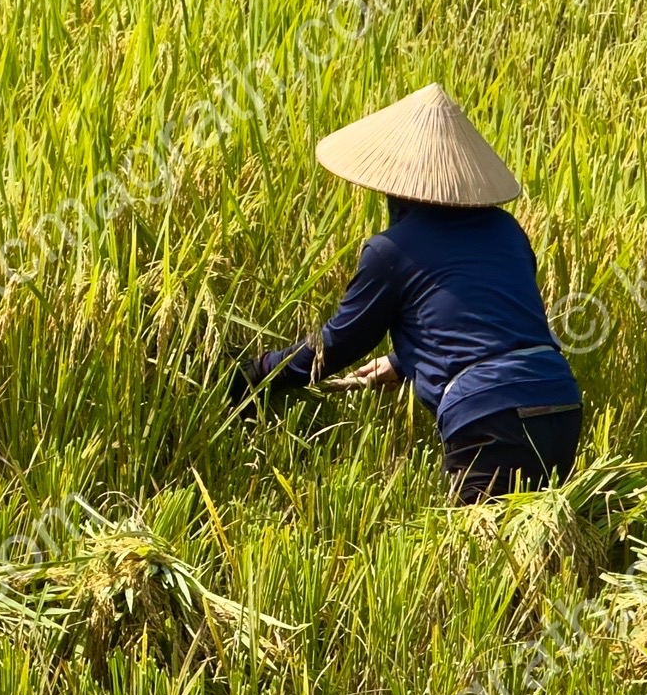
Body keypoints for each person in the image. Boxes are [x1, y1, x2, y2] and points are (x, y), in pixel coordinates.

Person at [233, 84, 582, 504]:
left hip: (489, 415)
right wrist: (404, 361)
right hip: (559, 400)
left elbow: (339, 343)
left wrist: (258, 374)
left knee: (478, 556)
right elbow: (493, 321)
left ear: (396, 187)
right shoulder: (508, 230)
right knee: (536, 544)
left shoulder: (390, 249)